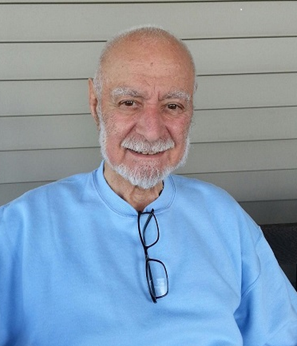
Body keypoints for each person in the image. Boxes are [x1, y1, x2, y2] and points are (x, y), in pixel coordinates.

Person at [0, 26, 297, 346]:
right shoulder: (17, 229)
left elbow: (281, 332)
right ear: (95, 103)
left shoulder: (223, 216)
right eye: (129, 102)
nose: (153, 131)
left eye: (172, 105)